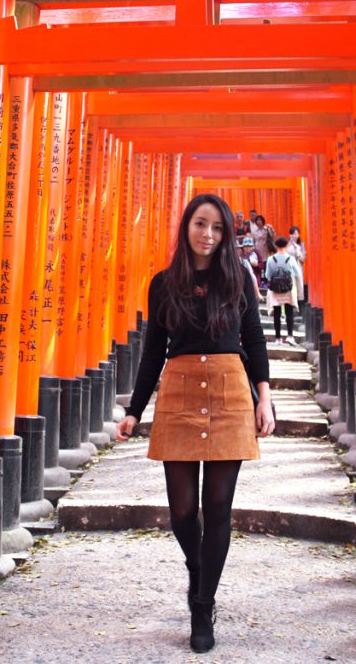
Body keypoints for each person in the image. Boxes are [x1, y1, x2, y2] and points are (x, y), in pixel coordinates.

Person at [116, 193, 276, 654]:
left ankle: (202, 607)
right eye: (200, 224)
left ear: (226, 234)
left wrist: (264, 399)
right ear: (186, 227)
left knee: (219, 508)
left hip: (229, 389)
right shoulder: (164, 283)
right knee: (183, 511)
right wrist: (134, 410)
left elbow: (254, 340)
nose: (208, 234)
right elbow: (152, 351)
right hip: (181, 389)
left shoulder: (238, 279)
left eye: (217, 228)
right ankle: (198, 567)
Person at [264, 236, 304, 345]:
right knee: (289, 312)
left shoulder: (271, 259)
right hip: (288, 289)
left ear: (276, 246)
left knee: (276, 313)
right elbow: (297, 273)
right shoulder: (290, 259)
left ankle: (278, 338)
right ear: (286, 246)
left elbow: (268, 275)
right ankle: (290, 335)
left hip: (275, 290)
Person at [238, 236, 262, 301]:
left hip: (255, 278)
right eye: (246, 246)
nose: (248, 248)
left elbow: (261, 266)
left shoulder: (256, 253)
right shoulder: (240, 254)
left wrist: (256, 265)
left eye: (249, 246)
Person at [287, 225, 306, 299]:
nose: (295, 236)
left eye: (296, 234)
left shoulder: (301, 245)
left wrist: (296, 250)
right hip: (289, 270)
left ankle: (299, 307)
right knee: (291, 289)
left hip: (298, 269)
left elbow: (303, 259)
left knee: (299, 289)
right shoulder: (287, 245)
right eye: (293, 234)